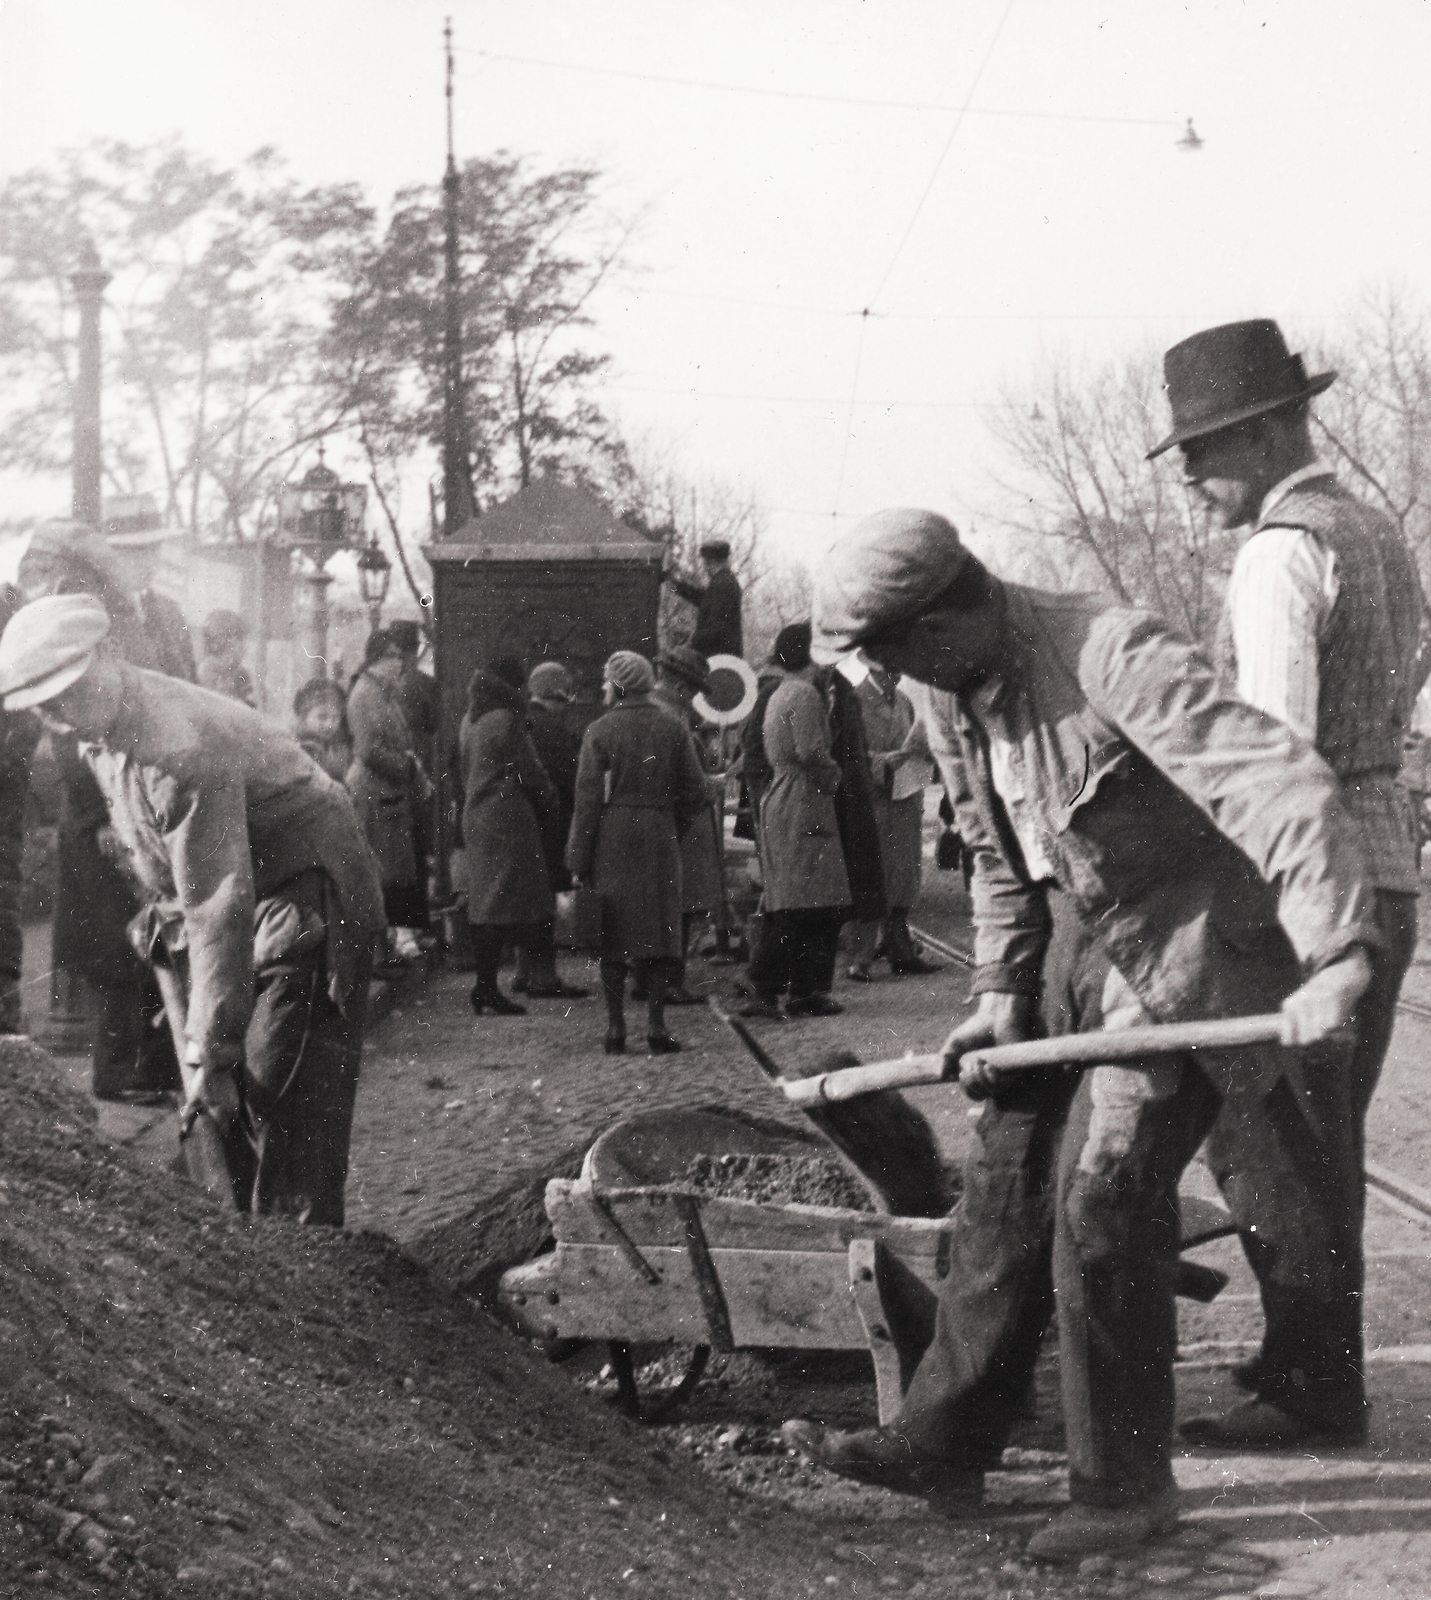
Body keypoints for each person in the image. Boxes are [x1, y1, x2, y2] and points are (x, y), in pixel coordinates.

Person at [782, 507, 1380, 1561]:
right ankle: (943, 1436)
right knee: (1005, 1169)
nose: (884, 675)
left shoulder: (1112, 649)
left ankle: (1123, 1488)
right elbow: (995, 851)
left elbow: (1278, 782)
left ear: (946, 616)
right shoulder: (947, 684)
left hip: (1189, 937)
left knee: (1103, 1198)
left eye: (889, 652)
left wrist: (1337, 952)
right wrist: (1005, 987)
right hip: (1079, 935)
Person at [1150, 318, 1430, 1448]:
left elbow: (1274, 755)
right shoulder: (1377, 532)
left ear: (1268, 432)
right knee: (1323, 1134)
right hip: (1389, 865)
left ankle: (1316, 1385)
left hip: (1306, 887)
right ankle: (1308, 1363)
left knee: (1276, 1136)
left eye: (1203, 448)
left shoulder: (1278, 552)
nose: (1188, 475)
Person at [0, 594, 385, 1226]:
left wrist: (210, 1048)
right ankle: (248, 1257)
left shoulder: (178, 745)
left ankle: (305, 1272)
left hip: (311, 894)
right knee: (229, 1105)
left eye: (61, 698)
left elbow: (217, 903)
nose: (56, 721)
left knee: (280, 1093)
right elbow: (168, 855)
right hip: (249, 894)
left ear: (102, 663)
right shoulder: (99, 727)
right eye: (43, 707)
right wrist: (160, 909)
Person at [17, 520, 190, 1099]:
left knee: (156, 939)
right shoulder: (83, 627)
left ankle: (155, 1072)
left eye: (149, 552)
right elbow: (72, 737)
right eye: (130, 556)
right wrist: (103, 819)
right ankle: (120, 1076)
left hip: (142, 802)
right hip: (102, 817)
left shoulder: (152, 618)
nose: (140, 565)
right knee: (123, 950)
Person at [565, 650, 709, 1055]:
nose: (601, 688)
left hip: (613, 837)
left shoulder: (599, 730)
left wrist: (578, 858)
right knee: (662, 932)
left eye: (606, 680)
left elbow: (587, 801)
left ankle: (615, 1029)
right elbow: (698, 793)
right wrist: (671, 827)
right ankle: (658, 1027)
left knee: (613, 936)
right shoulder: (673, 727)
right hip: (660, 835)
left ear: (618, 684)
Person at [739, 621, 851, 1020]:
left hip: (788, 798)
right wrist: (835, 776)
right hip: (803, 800)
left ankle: (794, 988)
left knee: (802, 901)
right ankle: (781, 988)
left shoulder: (781, 691)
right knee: (805, 903)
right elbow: (810, 751)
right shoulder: (804, 694)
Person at [454, 666, 558, 1017]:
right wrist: (548, 798)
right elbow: (529, 770)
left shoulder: (471, 719)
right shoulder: (506, 719)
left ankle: (489, 984)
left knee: (486, 901)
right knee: (509, 901)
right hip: (508, 817)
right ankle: (497, 985)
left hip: (476, 816)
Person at [841, 660, 939, 981]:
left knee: (904, 878)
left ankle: (901, 951)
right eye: (888, 669)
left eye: (896, 670)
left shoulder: (905, 701)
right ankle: (861, 957)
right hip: (874, 802)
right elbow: (851, 756)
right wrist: (884, 763)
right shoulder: (856, 701)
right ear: (873, 668)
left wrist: (924, 754)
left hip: (905, 799)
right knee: (872, 879)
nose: (895, 675)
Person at [346, 629, 430, 962]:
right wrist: (406, 768)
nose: (400, 663)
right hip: (375, 793)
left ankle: (390, 943)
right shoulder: (366, 694)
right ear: (376, 660)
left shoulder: (384, 693)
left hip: (389, 791)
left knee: (396, 867)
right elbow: (368, 750)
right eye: (393, 656)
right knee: (383, 869)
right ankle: (380, 950)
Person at [652, 644, 727, 1004]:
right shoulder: (672, 719)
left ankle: (650, 979)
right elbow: (686, 781)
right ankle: (669, 981)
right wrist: (712, 785)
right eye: (694, 690)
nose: (695, 698)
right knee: (679, 904)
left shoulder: (649, 710)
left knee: (661, 904)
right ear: (682, 687)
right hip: (681, 824)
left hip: (658, 821)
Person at [513, 661, 590, 999]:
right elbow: (570, 782)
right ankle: (543, 976)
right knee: (544, 901)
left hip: (523, 824)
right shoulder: (550, 729)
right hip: (550, 826)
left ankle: (522, 970)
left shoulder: (522, 722)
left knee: (527, 897)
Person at [663, 540, 744, 659]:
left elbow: (716, 628)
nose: (705, 569)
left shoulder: (722, 584)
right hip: (724, 656)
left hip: (720, 659)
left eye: (705, 563)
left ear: (710, 562)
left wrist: (690, 644)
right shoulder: (724, 581)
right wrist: (676, 585)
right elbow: (702, 598)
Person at [294, 678, 354, 784]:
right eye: (322, 717)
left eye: (335, 717)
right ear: (304, 716)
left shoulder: (339, 745)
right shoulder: (301, 747)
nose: (329, 724)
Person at [196, 609, 256, 705]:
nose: (245, 647)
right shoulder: (207, 671)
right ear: (228, 642)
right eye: (241, 640)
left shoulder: (241, 673)